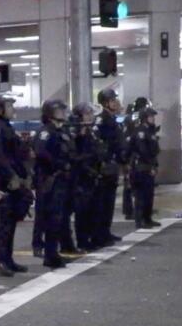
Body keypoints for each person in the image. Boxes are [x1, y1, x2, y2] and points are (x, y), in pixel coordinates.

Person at [0, 94, 32, 277]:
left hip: (14, 180)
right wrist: (11, 176)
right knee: (4, 223)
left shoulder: (6, 127)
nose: (13, 109)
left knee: (11, 221)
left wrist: (24, 175)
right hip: (3, 181)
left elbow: (16, 154)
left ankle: (8, 259)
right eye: (9, 106)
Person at [32, 100, 75, 269]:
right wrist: (59, 164)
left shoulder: (60, 131)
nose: (63, 113)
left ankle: (54, 252)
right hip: (50, 180)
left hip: (60, 180)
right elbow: (41, 153)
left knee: (58, 218)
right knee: (50, 218)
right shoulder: (46, 132)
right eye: (59, 110)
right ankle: (50, 255)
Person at [92, 89, 125, 248]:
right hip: (105, 166)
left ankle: (106, 231)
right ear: (105, 103)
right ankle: (100, 234)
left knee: (110, 202)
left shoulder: (112, 119)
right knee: (102, 203)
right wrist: (104, 160)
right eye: (112, 100)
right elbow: (99, 144)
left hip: (112, 165)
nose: (116, 103)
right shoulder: (102, 120)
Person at [70, 102, 102, 249]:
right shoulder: (76, 133)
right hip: (80, 177)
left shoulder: (90, 132)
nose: (90, 116)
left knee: (93, 210)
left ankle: (93, 237)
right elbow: (75, 156)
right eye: (87, 113)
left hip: (92, 175)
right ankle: (83, 241)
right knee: (82, 211)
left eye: (90, 113)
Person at [128, 106, 162, 226]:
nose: (153, 118)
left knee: (149, 194)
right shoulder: (141, 131)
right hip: (141, 167)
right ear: (144, 118)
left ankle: (147, 218)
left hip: (148, 166)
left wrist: (154, 165)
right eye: (151, 116)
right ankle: (140, 219)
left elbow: (155, 150)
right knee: (141, 195)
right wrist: (151, 165)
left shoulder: (150, 131)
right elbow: (143, 151)